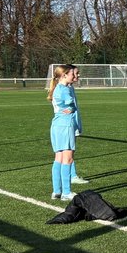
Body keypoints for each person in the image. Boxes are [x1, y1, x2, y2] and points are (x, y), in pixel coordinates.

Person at [48, 64, 79, 199]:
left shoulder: (56, 88)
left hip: (56, 125)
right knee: (68, 158)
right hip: (65, 125)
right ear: (65, 75)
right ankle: (66, 192)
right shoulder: (65, 89)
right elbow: (70, 104)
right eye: (73, 74)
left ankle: (56, 191)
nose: (75, 76)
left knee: (58, 158)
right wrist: (71, 107)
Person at [68, 67, 89, 184]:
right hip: (68, 124)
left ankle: (71, 175)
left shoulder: (70, 87)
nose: (78, 75)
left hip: (73, 123)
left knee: (70, 151)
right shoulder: (64, 88)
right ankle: (71, 176)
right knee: (69, 151)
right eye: (76, 73)